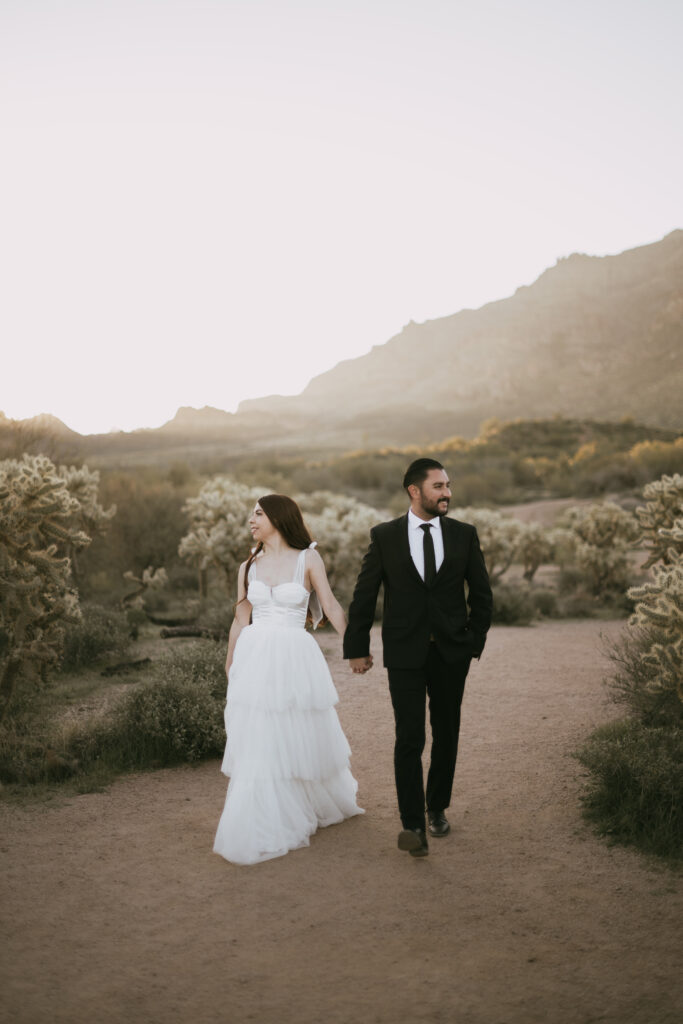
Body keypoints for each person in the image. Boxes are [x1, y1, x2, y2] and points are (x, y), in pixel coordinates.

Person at [343, 458, 492, 858]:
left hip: (451, 653)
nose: (446, 493)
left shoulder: (463, 534)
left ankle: (436, 807)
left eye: (448, 485)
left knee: (446, 733)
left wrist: (472, 642)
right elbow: (364, 594)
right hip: (405, 653)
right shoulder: (385, 536)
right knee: (409, 737)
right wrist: (357, 647)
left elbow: (481, 593)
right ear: (414, 490)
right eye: (438, 486)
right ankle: (412, 825)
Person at [214, 493, 363, 865]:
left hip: (294, 656)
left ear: (279, 518)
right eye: (251, 514)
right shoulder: (248, 566)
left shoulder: (308, 559)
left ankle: (302, 802)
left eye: (259, 514)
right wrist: (230, 660)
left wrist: (354, 646)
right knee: (260, 734)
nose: (251, 520)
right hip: (254, 655)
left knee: (295, 730)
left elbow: (329, 605)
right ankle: (264, 812)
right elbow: (240, 618)